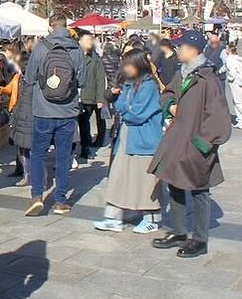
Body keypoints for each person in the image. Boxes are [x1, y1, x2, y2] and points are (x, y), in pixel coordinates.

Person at [150, 30, 231, 258]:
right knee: (174, 183)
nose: (177, 49)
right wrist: (171, 105)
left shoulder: (208, 78)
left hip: (196, 144)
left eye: (181, 46)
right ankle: (178, 231)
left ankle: (200, 239)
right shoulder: (181, 73)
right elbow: (166, 94)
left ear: (193, 49)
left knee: (199, 190)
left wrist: (203, 143)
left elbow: (219, 118)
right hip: (177, 140)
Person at [93, 49, 163, 234]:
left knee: (145, 181)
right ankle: (112, 217)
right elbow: (122, 106)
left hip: (144, 140)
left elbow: (137, 114)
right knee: (117, 176)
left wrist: (124, 107)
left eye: (128, 65)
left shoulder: (149, 86)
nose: (125, 69)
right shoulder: (129, 85)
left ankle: (151, 219)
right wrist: (120, 101)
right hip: (127, 137)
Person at [24, 14, 87, 216]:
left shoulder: (41, 47)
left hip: (43, 110)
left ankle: (36, 196)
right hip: (67, 111)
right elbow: (83, 81)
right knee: (63, 156)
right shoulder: (76, 49)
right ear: (66, 27)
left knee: (38, 154)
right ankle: (60, 200)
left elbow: (30, 78)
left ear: (50, 27)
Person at [0, 51, 32, 187]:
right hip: (16, 111)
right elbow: (9, 89)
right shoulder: (18, 76)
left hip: (24, 114)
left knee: (25, 146)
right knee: (18, 144)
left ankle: (27, 174)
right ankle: (20, 169)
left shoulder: (26, 77)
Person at [77, 31, 106, 161]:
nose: (90, 42)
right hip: (79, 95)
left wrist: (101, 98)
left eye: (91, 40)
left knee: (93, 120)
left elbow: (100, 79)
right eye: (87, 39)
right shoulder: (75, 56)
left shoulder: (95, 58)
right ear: (80, 41)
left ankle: (93, 143)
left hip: (92, 94)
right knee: (81, 122)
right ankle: (84, 146)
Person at [225, 45, 242, 129]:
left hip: (235, 82)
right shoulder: (238, 58)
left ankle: (240, 120)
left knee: (237, 102)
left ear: (229, 50)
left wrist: (230, 78)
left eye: (226, 48)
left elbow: (232, 73)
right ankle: (240, 120)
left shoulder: (229, 59)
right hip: (240, 81)